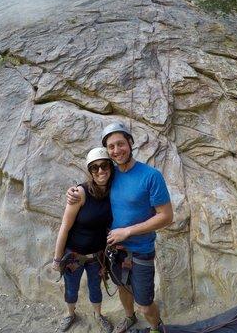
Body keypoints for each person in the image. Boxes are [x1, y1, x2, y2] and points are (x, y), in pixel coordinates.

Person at [67, 122, 173, 333]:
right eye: (111, 147)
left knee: (144, 302)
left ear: (130, 143)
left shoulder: (151, 176)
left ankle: (155, 327)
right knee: (123, 288)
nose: (116, 151)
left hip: (141, 250)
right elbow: (90, 185)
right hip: (115, 250)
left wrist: (128, 231)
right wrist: (72, 191)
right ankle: (129, 317)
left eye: (120, 144)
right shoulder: (110, 174)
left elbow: (167, 217)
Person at [53, 147, 114, 332]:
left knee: (96, 288)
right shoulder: (80, 193)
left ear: (111, 167)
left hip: (97, 255)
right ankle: (70, 314)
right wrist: (57, 258)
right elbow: (65, 226)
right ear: (90, 171)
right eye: (95, 168)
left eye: (104, 166)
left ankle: (98, 314)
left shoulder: (114, 191)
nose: (100, 171)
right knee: (71, 288)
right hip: (74, 254)